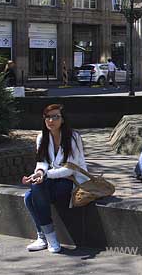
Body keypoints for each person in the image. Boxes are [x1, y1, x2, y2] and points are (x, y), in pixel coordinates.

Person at [22, 103, 89, 253]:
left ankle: (47, 237)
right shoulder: (42, 137)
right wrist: (38, 173)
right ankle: (46, 237)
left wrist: (46, 175)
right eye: (47, 117)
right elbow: (42, 162)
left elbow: (70, 169)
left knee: (32, 196)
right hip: (52, 180)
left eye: (55, 117)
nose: (51, 121)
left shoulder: (73, 137)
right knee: (30, 195)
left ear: (63, 119)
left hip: (72, 181)